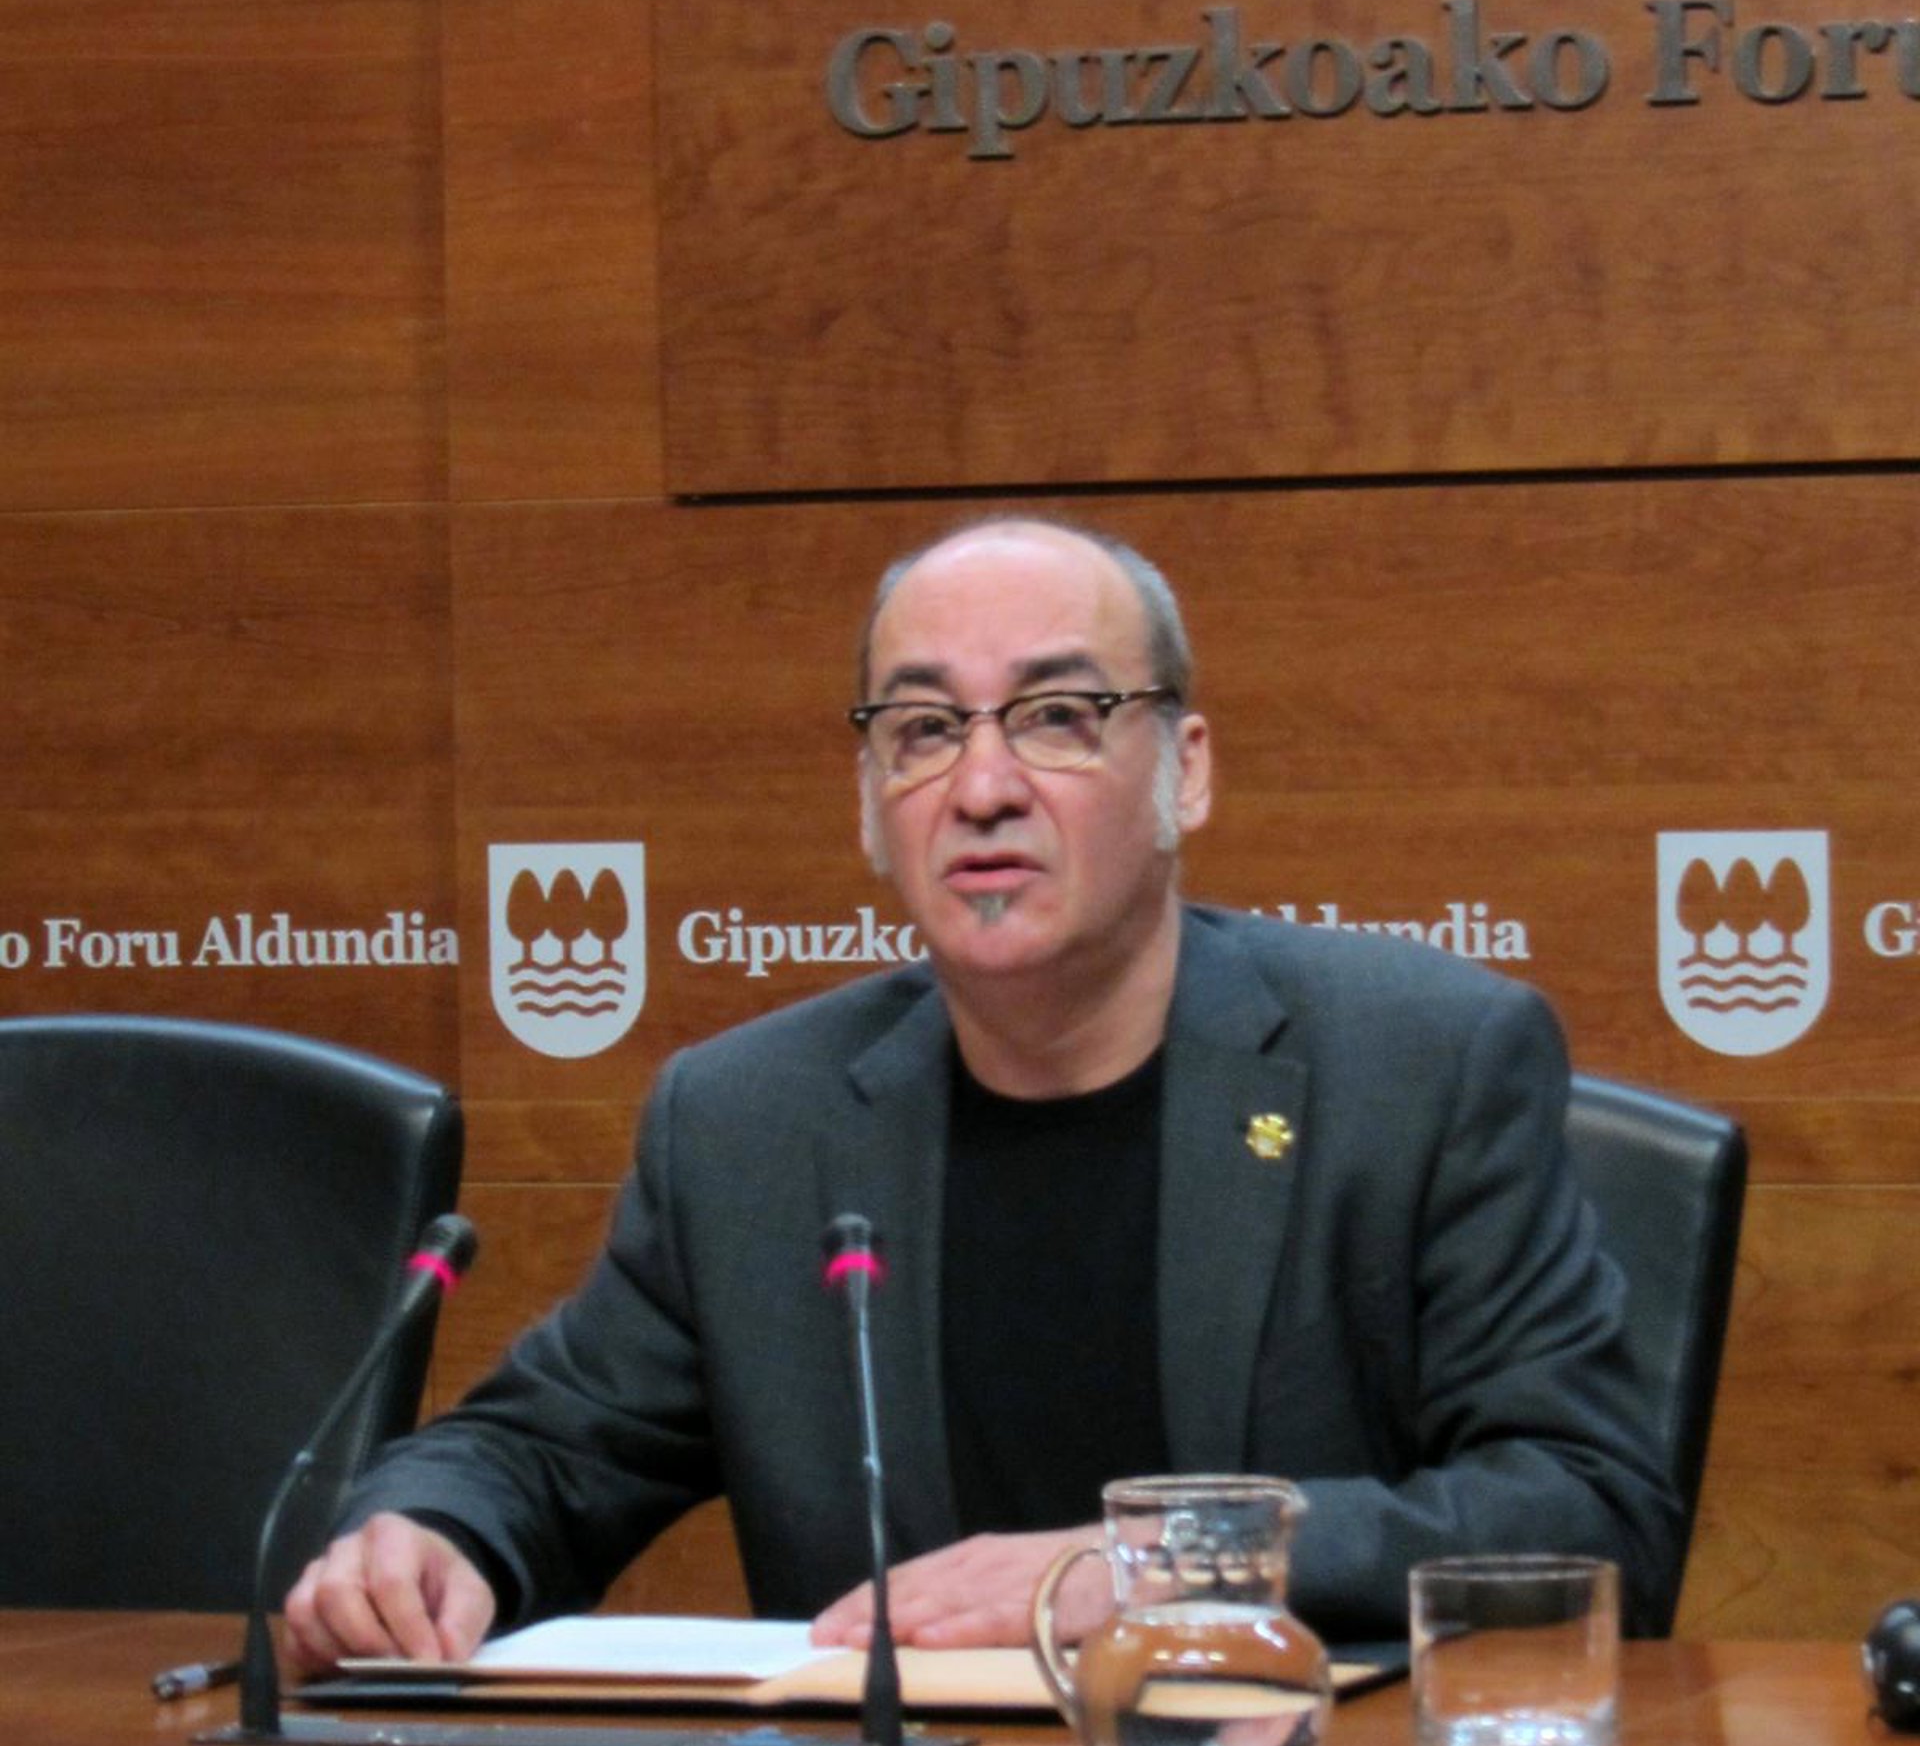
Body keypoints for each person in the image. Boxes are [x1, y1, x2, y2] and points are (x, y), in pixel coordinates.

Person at [285, 516, 1678, 1673]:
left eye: (1060, 718)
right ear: (868, 800)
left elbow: (1590, 1510)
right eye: (924, 729)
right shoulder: (751, 1123)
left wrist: (1156, 1567)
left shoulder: (1422, 1068)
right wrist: (430, 1540)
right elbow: (537, 1451)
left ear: (1185, 772)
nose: (984, 785)